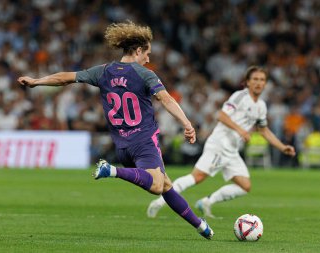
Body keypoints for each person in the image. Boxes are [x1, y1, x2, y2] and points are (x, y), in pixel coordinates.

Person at [17, 21, 214, 239]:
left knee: (166, 184)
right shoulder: (144, 74)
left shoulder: (103, 71)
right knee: (158, 185)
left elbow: (65, 78)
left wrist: (36, 81)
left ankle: (200, 226)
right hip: (143, 142)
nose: (148, 59)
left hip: (122, 146)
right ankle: (111, 171)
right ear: (138, 50)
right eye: (147, 53)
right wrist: (187, 123)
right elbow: (166, 99)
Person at [147, 66, 296, 218]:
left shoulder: (261, 106)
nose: (259, 83)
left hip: (231, 149)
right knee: (197, 177)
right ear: (247, 82)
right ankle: (159, 202)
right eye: (255, 79)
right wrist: (240, 130)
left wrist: (282, 147)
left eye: (262, 80)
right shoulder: (239, 97)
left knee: (245, 186)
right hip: (219, 144)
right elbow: (221, 115)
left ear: (265, 83)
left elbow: (264, 130)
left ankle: (206, 202)